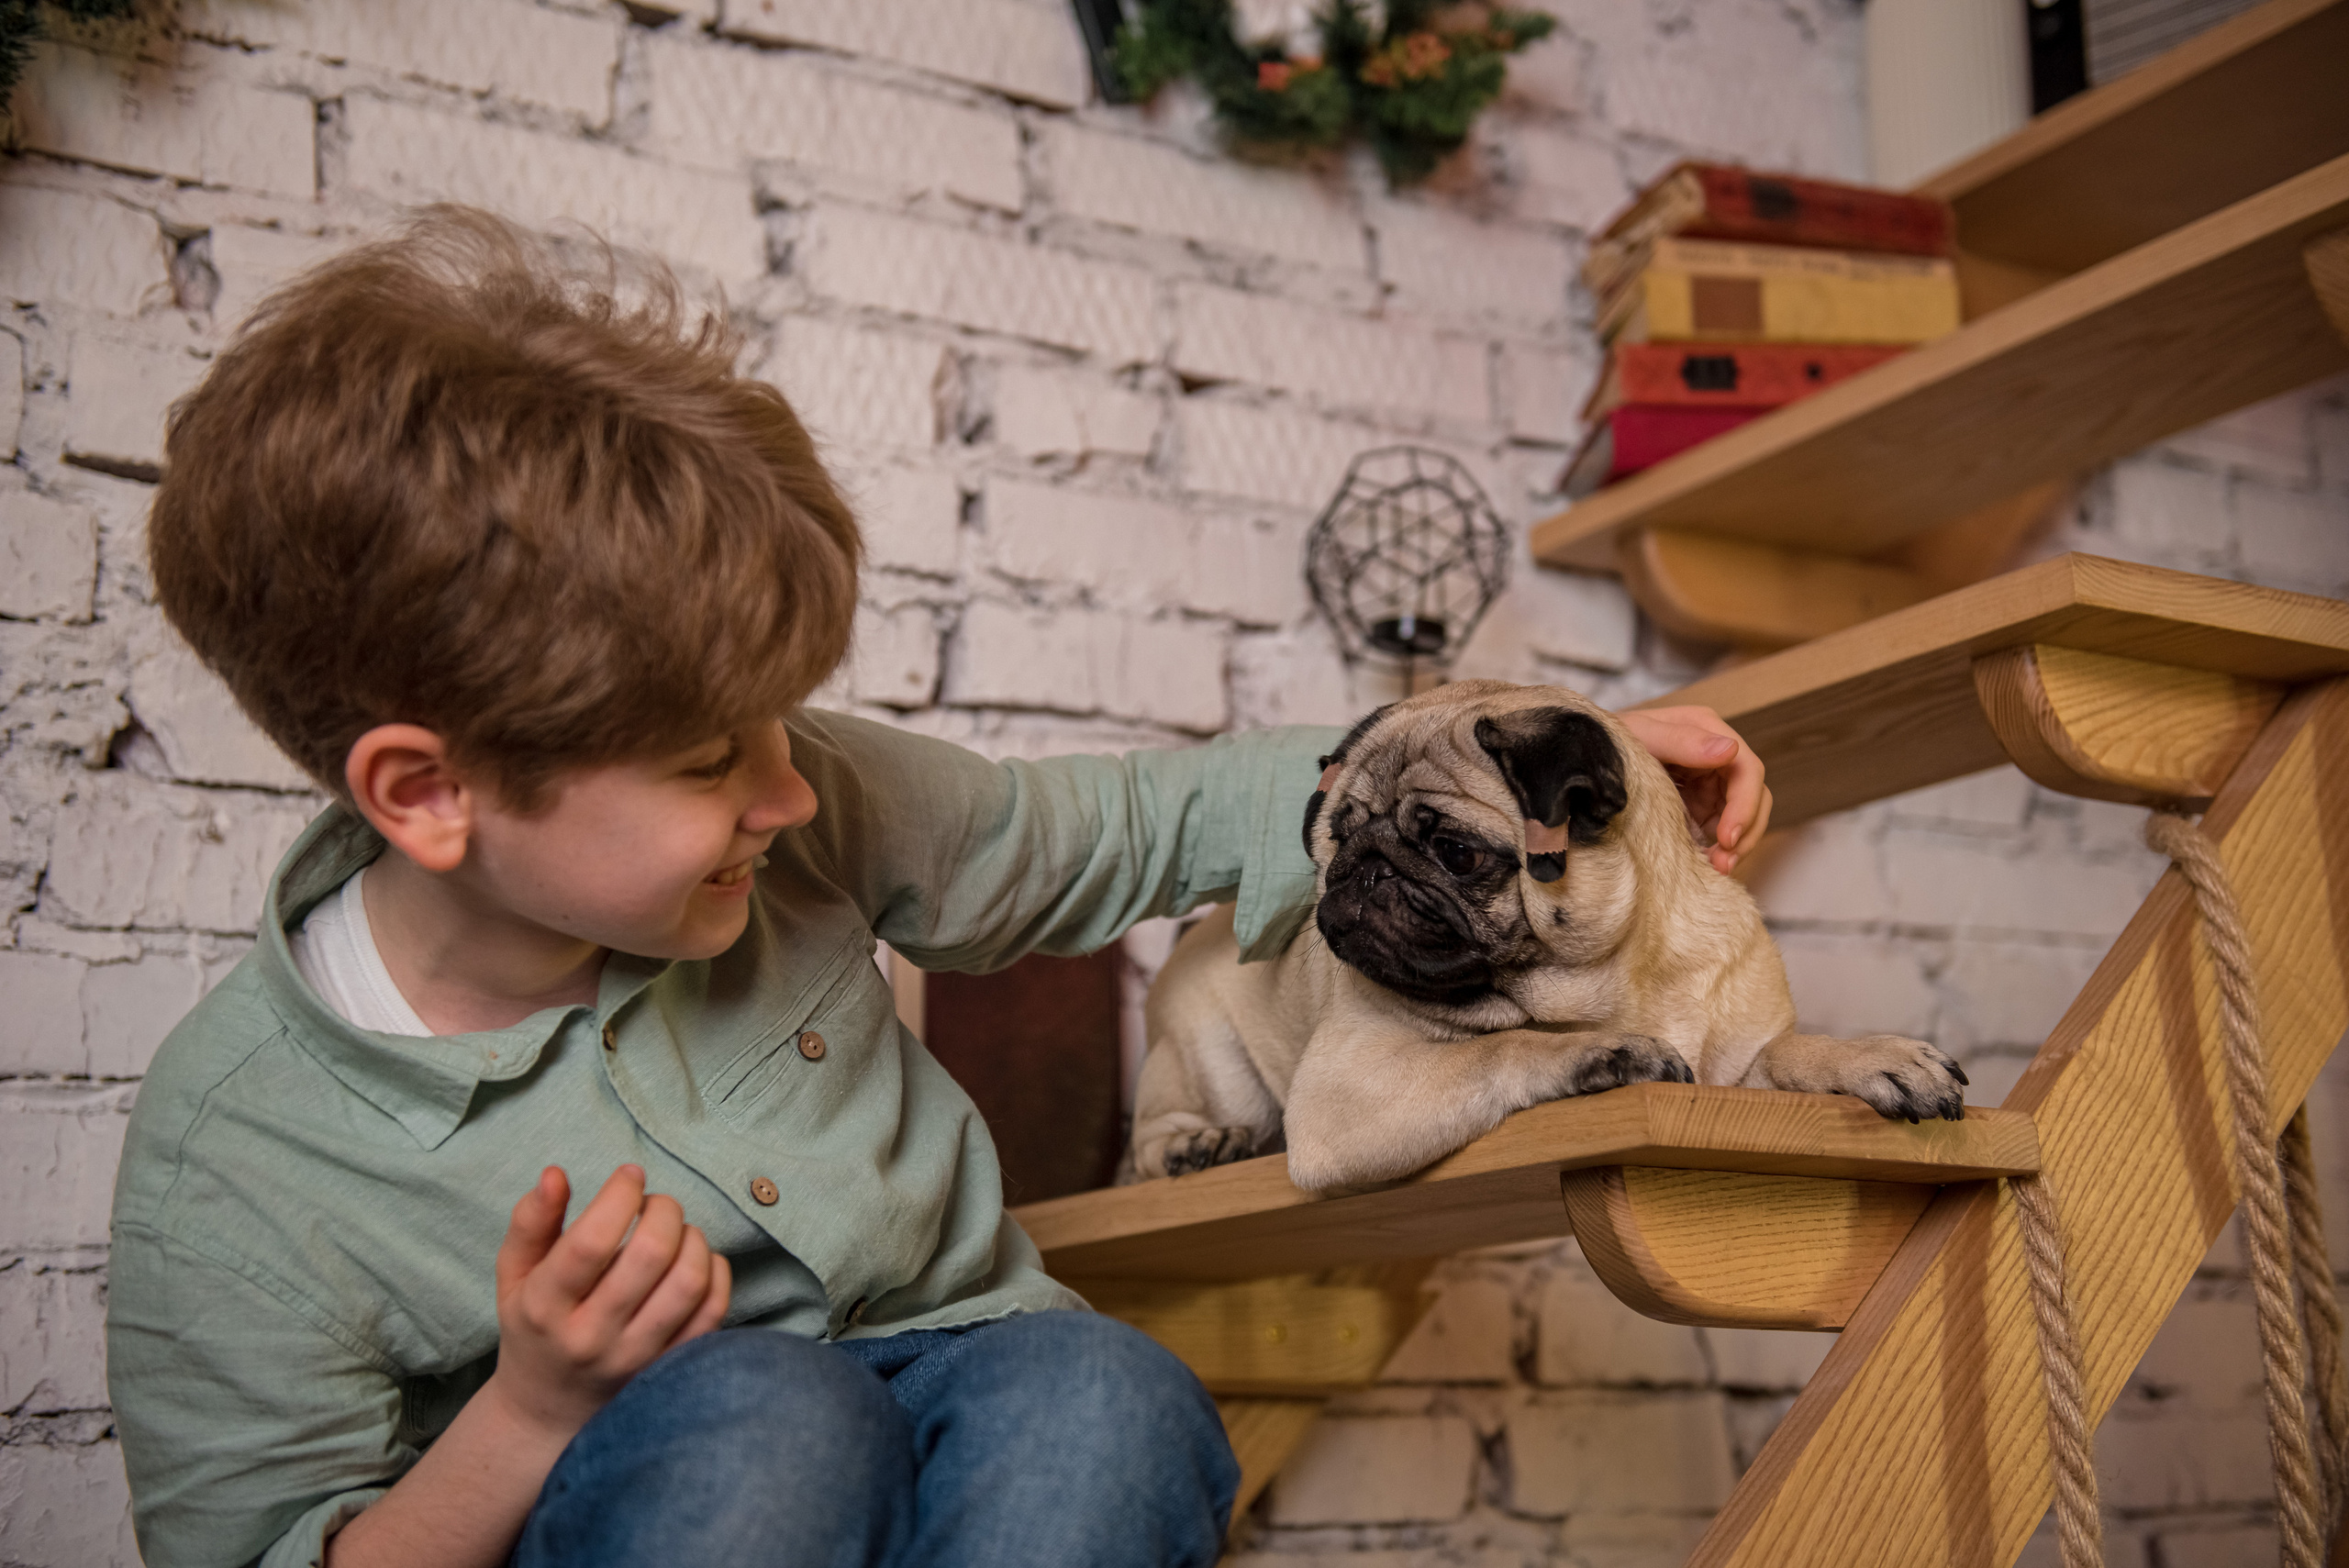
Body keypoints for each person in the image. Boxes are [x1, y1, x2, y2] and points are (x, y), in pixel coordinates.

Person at [106, 205, 1774, 1568]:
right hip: (657, 1478)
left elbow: (1109, 830)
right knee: (773, 1414)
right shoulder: (236, 1154)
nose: (788, 784)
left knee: (1107, 1398)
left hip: (983, 1384)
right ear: (432, 791)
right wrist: (534, 1409)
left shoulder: (802, 796)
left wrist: (1582, 762)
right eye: (707, 764)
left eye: (781, 727)